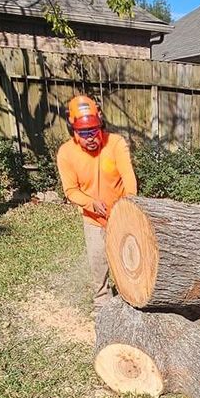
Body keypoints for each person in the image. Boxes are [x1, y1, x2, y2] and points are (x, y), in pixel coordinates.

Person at [56, 95, 137, 314]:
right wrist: (90, 203)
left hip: (121, 215)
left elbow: (129, 178)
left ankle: (129, 299)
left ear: (100, 124)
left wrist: (127, 205)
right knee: (98, 263)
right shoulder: (66, 153)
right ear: (72, 130)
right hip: (92, 219)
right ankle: (102, 303)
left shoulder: (116, 143)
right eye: (83, 133)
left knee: (126, 260)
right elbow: (70, 190)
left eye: (93, 131)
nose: (90, 138)